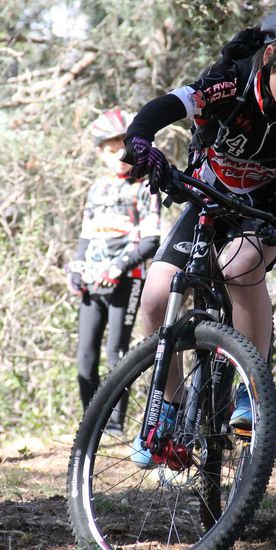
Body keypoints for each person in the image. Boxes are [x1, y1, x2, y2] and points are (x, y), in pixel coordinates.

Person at [123, 0, 276, 464]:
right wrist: (138, 138)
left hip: (261, 210)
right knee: (155, 294)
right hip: (208, 196)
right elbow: (169, 104)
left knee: (239, 265)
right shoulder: (231, 79)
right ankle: (167, 406)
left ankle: (251, 388)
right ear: (271, 57)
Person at [66, 107, 161, 430]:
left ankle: (114, 424)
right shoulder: (97, 189)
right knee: (85, 357)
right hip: (93, 282)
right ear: (100, 154)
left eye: (125, 148)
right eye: (111, 151)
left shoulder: (145, 186)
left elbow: (151, 240)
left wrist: (119, 267)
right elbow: (86, 235)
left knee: (115, 354)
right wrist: (76, 270)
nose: (120, 156)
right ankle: (90, 423)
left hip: (127, 280)